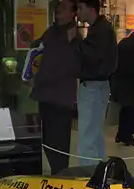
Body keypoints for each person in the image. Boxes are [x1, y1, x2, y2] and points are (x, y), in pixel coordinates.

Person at [30, 0, 80, 173]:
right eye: (59, 6)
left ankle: (61, 178)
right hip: (45, 95)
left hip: (60, 97)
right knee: (47, 142)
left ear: (73, 13)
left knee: (58, 145)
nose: (59, 10)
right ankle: (57, 174)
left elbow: (64, 65)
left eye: (64, 8)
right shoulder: (52, 32)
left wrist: (39, 79)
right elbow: (37, 49)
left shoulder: (72, 36)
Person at [71, 0, 118, 166]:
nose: (78, 12)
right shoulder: (103, 28)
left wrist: (76, 40)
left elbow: (90, 55)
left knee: (87, 134)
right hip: (101, 84)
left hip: (91, 85)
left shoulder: (99, 30)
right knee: (95, 132)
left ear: (91, 10)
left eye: (80, 8)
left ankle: (88, 174)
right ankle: (97, 170)